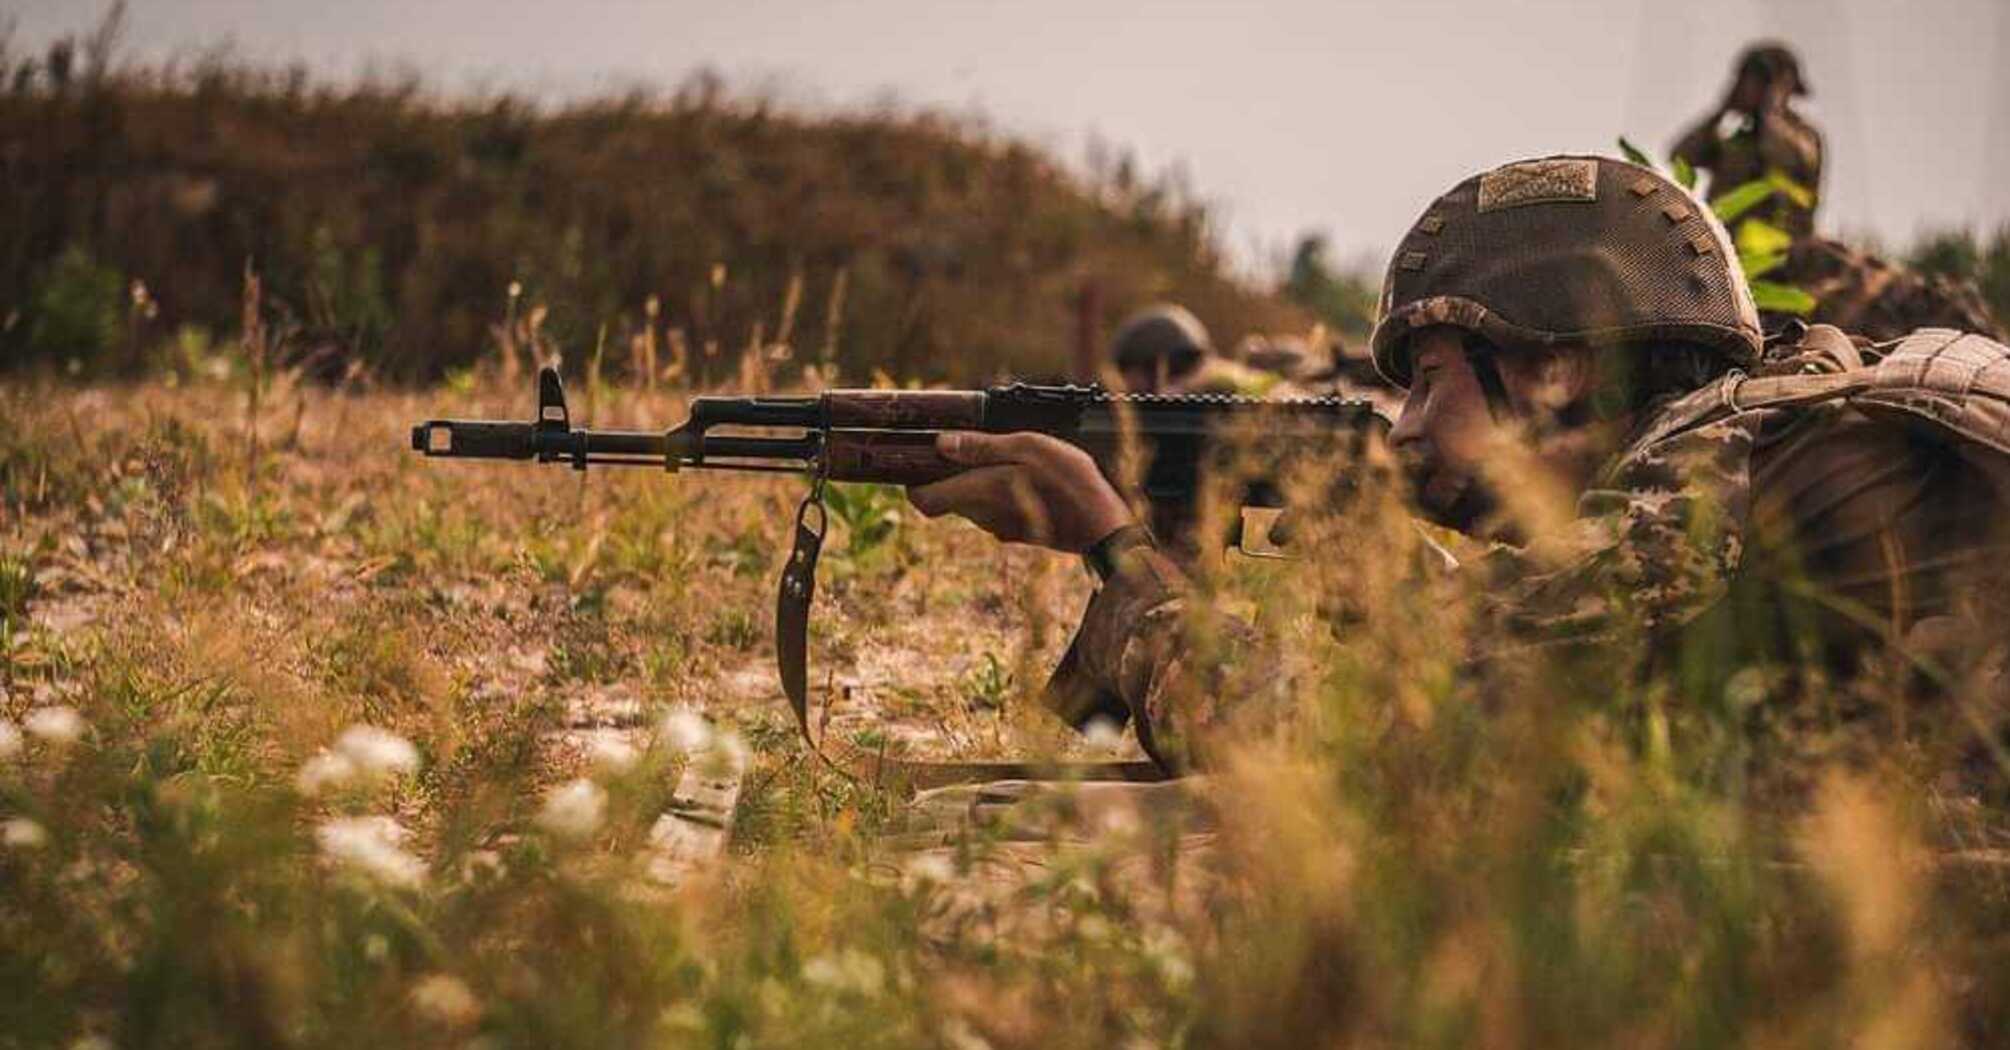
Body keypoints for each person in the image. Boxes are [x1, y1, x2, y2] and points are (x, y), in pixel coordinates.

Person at [906, 154, 2010, 775]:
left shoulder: (1703, 480)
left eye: (1434, 378)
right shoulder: (1788, 408)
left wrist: (1115, 547)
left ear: (1561, 374)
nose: (1404, 429)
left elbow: (1324, 755)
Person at [1671, 42, 1822, 238]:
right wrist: (1722, 111)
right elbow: (1681, 156)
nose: (1751, 89)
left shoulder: (1803, 135)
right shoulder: (1737, 138)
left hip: (1779, 255)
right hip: (1726, 244)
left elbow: (1789, 158)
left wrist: (1769, 108)